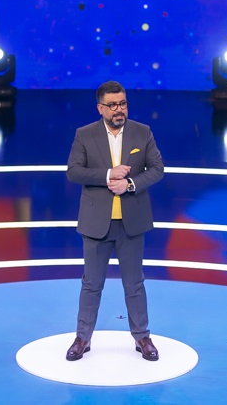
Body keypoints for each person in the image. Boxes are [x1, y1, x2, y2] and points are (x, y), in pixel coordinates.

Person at [65, 81, 165, 362]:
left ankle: (142, 337)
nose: (119, 109)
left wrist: (130, 184)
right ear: (100, 108)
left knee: (134, 283)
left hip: (131, 223)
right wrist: (109, 174)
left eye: (122, 103)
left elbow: (157, 169)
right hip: (97, 222)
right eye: (112, 105)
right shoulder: (84, 134)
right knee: (91, 284)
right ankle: (83, 338)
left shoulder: (142, 132)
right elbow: (73, 172)